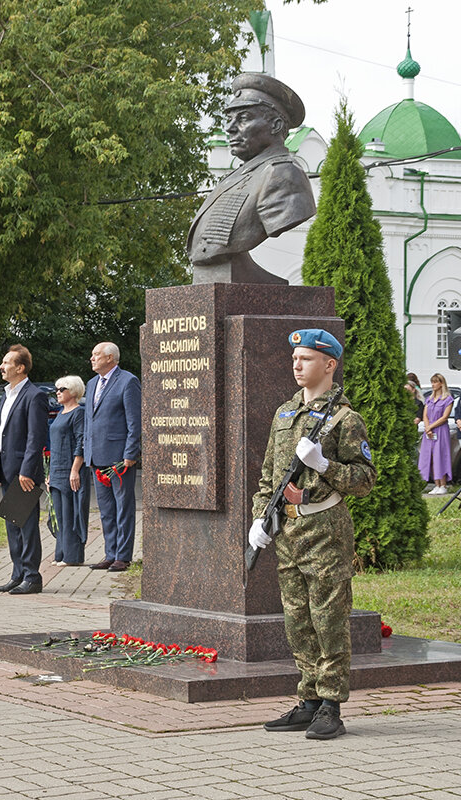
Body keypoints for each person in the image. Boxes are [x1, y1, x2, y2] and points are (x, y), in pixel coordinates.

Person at [249, 328, 376, 741]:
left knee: (329, 618)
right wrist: (258, 519)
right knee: (297, 619)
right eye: (294, 359)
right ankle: (307, 700)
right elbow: (269, 474)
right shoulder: (285, 413)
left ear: (330, 364)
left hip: (325, 529)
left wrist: (324, 465)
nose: (297, 365)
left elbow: (364, 479)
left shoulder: (344, 418)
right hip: (287, 529)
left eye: (305, 359)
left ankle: (331, 705)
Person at [187, 73, 315, 285]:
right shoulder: (236, 178)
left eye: (243, 118)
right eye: (229, 119)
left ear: (274, 125)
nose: (230, 128)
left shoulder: (283, 174)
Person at [0, 345, 49, 595]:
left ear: (20, 367)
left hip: (24, 472)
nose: (2, 367)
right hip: (7, 469)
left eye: (6, 362)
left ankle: (32, 577)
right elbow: (1, 435)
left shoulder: (34, 396)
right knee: (13, 524)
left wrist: (27, 470)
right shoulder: (7, 394)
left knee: (26, 525)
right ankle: (18, 574)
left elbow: (36, 437)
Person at [84, 342, 141, 571]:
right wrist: (85, 451)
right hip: (96, 456)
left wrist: (131, 452)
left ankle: (123, 556)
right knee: (106, 509)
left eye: (96, 354)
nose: (92, 358)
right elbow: (90, 420)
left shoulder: (128, 381)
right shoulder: (91, 384)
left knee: (123, 506)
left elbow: (134, 421)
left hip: (119, 458)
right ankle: (110, 552)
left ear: (110, 357)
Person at [48, 376, 90, 566]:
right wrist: (49, 473)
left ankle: (72, 556)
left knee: (70, 512)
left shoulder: (78, 413)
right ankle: (61, 553)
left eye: (62, 389)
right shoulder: (60, 413)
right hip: (56, 470)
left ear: (72, 392)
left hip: (70, 469)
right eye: (57, 389)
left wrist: (75, 470)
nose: (57, 392)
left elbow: (81, 442)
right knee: (59, 514)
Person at [417, 373, 454, 495]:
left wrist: (430, 427)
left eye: (435, 382)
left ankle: (443, 484)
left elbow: (444, 417)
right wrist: (427, 428)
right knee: (430, 457)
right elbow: (425, 415)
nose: (433, 384)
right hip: (430, 431)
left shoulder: (447, 399)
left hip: (440, 430)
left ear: (441, 383)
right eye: (432, 382)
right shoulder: (429, 399)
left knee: (440, 456)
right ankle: (436, 484)